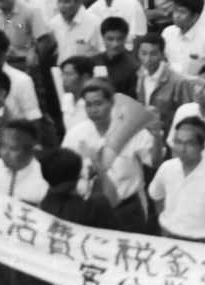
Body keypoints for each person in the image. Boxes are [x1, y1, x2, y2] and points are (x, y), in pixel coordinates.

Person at [61, 78, 165, 233]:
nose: (93, 110)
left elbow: (155, 162)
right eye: (89, 105)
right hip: (89, 208)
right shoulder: (75, 134)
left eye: (98, 104)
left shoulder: (131, 128)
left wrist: (157, 136)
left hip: (127, 208)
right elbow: (64, 171)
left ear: (111, 103)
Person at [0, 119, 48, 205]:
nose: (4, 153)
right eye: (3, 146)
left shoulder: (44, 180)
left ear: (31, 152)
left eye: (13, 148)